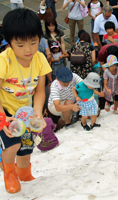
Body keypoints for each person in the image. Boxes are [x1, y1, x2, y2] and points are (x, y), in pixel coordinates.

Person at [0, 8, 52, 194]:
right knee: (13, 143)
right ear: (9, 42)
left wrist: (37, 111)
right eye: (20, 45)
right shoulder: (4, 61)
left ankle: (23, 171)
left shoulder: (39, 59)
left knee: (26, 146)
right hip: (4, 110)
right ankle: (9, 172)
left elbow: (39, 90)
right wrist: (2, 118)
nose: (28, 50)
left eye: (33, 42)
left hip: (26, 110)